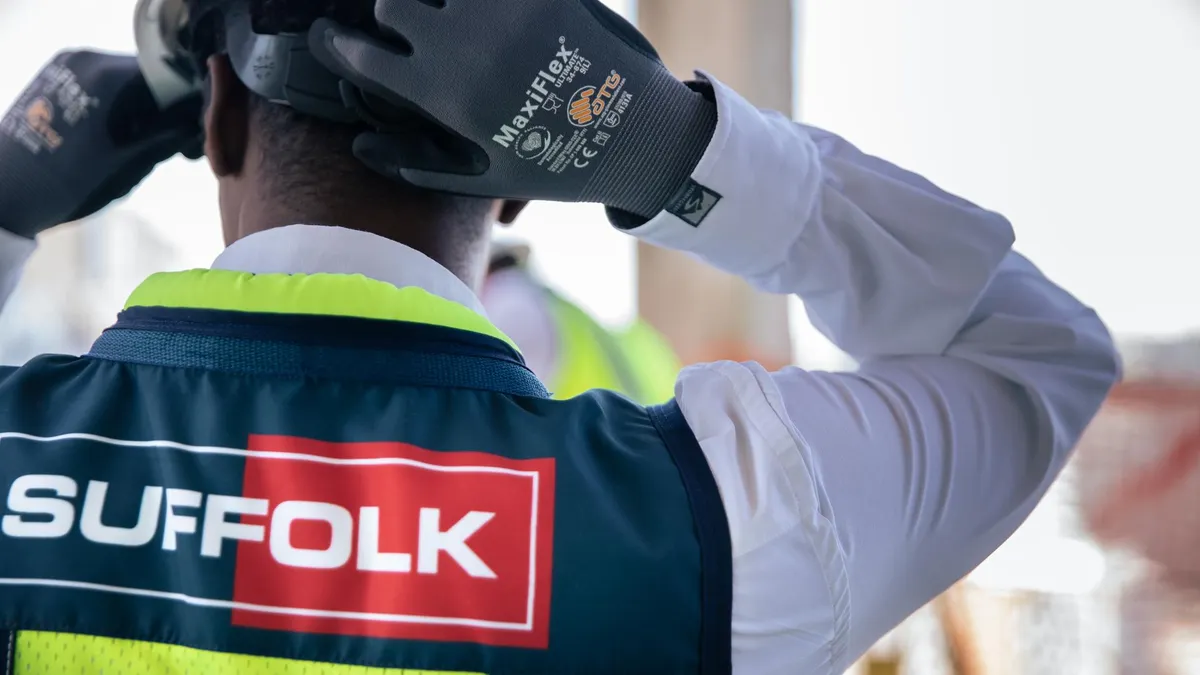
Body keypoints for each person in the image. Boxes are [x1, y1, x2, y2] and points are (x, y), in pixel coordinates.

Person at [0, 0, 1118, 673]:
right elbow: (1037, 351)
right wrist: (668, 147)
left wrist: (7, 200)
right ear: (527, 183)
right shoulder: (719, 527)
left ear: (216, 119)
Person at [482, 242, 681, 404]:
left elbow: (499, 406)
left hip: (585, 441)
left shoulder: (510, 301)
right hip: (612, 439)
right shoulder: (539, 299)